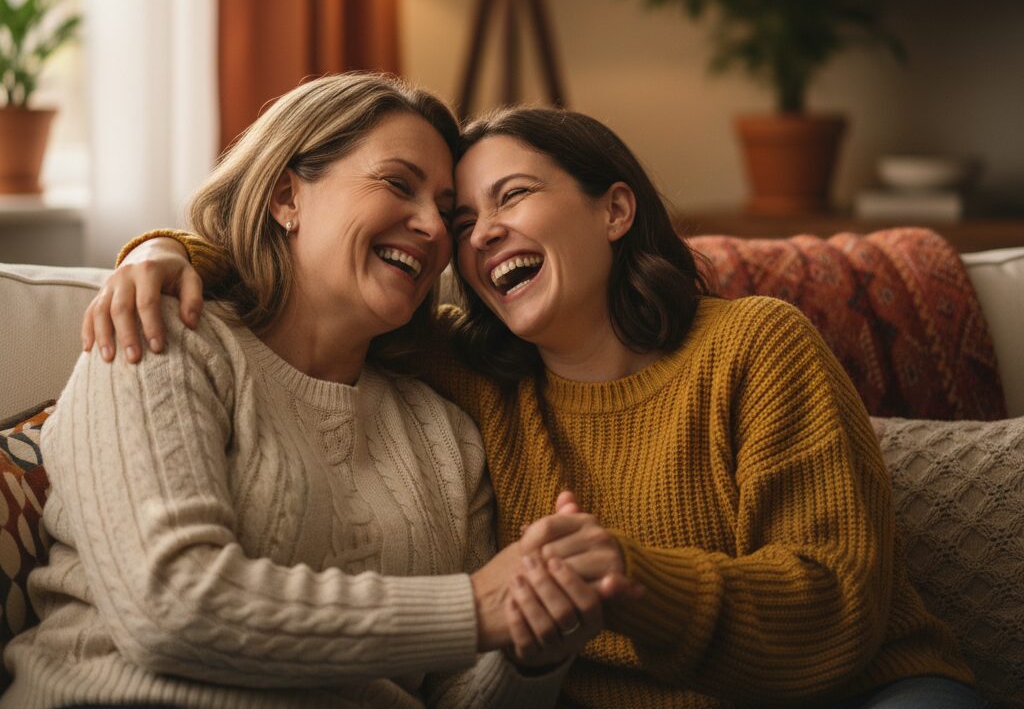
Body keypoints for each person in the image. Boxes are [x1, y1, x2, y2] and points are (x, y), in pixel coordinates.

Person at [82, 103, 984, 709]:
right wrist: (161, 256)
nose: (461, 235)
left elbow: (838, 615)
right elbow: (316, 287)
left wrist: (620, 580)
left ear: (615, 210)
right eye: (463, 220)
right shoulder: (468, 375)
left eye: (508, 197)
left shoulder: (755, 344)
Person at [3, 76, 634, 709]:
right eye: (397, 183)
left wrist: (530, 650)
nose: (436, 230)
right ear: (285, 196)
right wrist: (474, 607)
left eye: (447, 212)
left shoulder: (447, 435)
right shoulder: (161, 334)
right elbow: (170, 605)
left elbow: (454, 695)